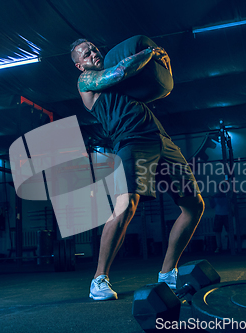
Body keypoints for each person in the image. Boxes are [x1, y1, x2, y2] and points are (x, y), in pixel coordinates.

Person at [70, 38, 204, 301]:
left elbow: (159, 86)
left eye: (95, 49)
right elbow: (121, 70)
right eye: (87, 54)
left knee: (194, 205)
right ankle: (99, 280)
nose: (94, 54)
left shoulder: (123, 82)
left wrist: (161, 63)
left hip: (160, 139)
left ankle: (167, 274)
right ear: (79, 64)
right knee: (125, 205)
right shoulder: (86, 82)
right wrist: (150, 52)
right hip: (131, 140)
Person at [209, 182, 230, 253]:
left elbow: (231, 204)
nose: (220, 189)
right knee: (217, 232)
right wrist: (210, 199)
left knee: (230, 231)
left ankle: (231, 246)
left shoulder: (227, 196)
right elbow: (212, 206)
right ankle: (219, 247)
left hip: (226, 215)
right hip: (219, 215)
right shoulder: (215, 196)